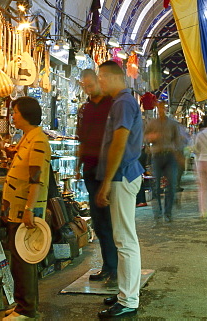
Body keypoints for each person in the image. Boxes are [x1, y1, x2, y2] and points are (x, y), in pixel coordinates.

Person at [95, 61, 143, 319]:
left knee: (125, 239)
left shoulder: (123, 102)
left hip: (123, 176)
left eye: (101, 78)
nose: (100, 82)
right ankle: (127, 291)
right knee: (124, 238)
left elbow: (119, 144)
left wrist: (106, 182)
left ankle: (128, 300)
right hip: (125, 174)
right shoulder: (123, 102)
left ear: (111, 77)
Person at [1, 96, 51, 321]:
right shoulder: (27, 138)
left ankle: (27, 309)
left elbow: (36, 180)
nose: (13, 116)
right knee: (19, 258)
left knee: (24, 261)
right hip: (17, 207)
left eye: (16, 112)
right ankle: (22, 304)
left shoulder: (38, 140)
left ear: (26, 115)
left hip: (25, 209)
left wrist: (30, 208)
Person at [76, 68, 116, 283]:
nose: (88, 89)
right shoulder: (85, 109)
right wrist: (77, 164)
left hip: (107, 169)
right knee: (99, 222)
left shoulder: (112, 105)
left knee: (110, 220)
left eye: (91, 85)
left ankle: (116, 266)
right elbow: (81, 138)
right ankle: (108, 265)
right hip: (90, 168)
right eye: (85, 86)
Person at [144, 101, 186, 222]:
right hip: (157, 156)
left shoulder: (172, 124)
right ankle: (157, 214)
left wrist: (179, 155)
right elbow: (144, 137)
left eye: (163, 108)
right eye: (159, 108)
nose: (161, 110)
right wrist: (150, 138)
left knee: (171, 186)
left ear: (166, 109)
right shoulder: (152, 123)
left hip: (170, 156)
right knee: (156, 187)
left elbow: (177, 141)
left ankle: (168, 213)